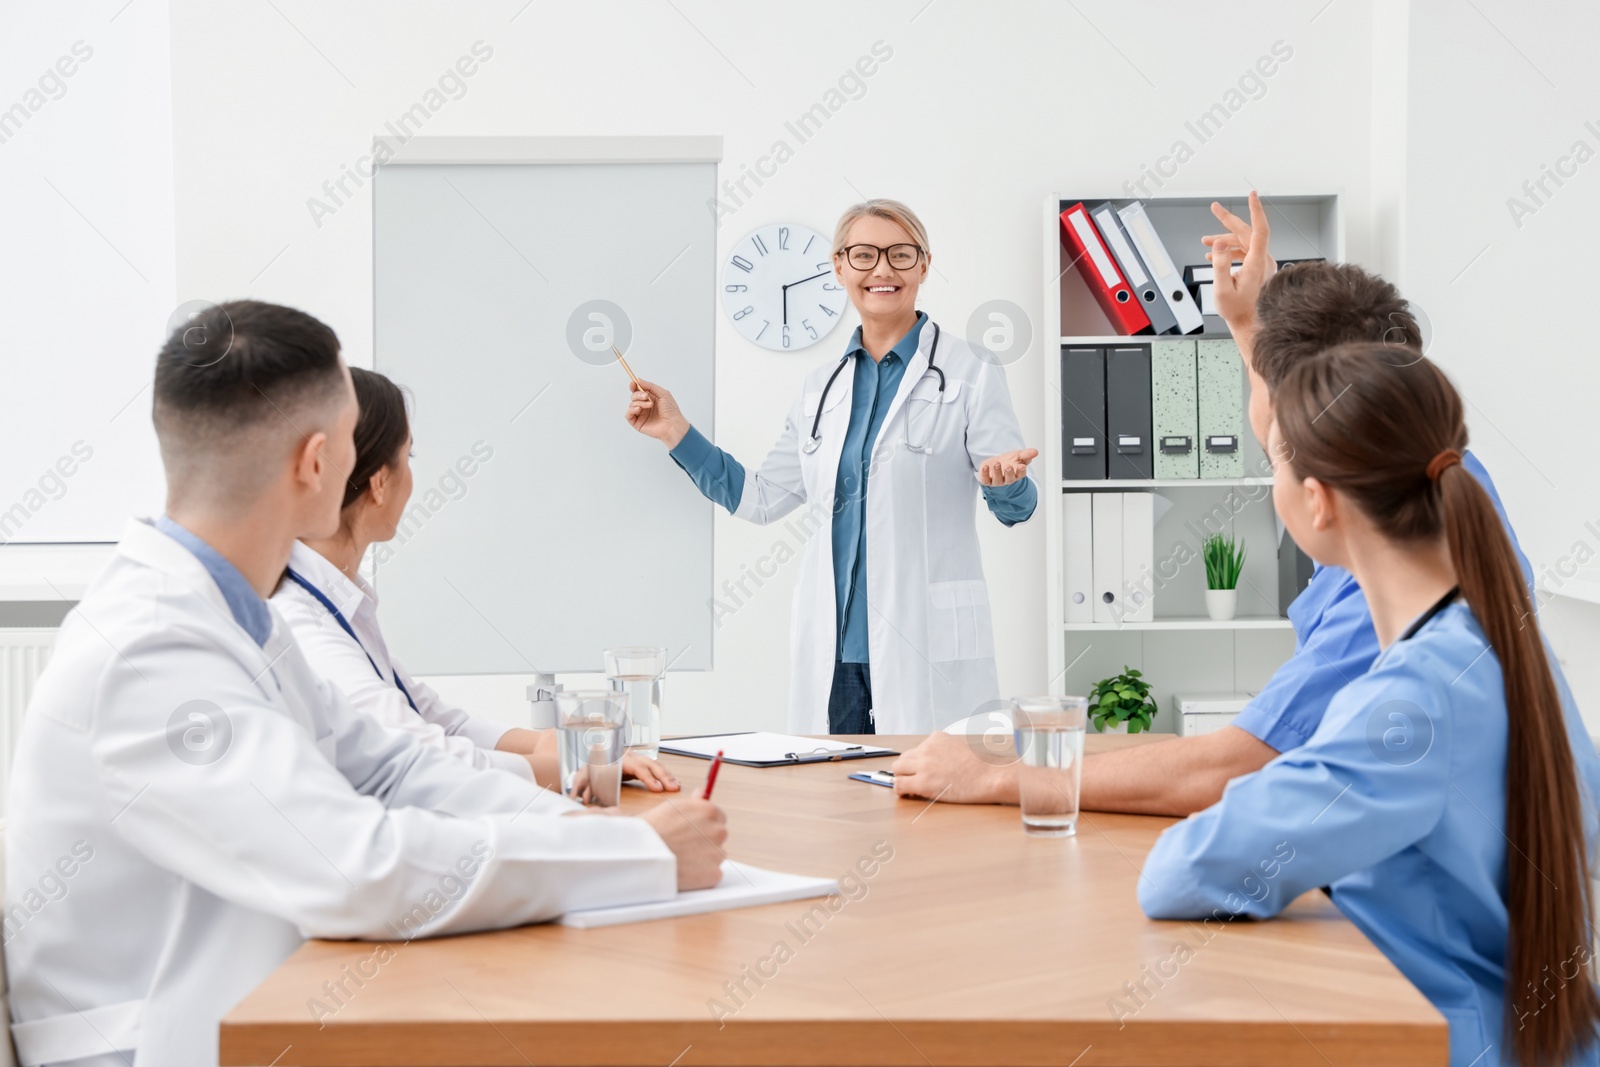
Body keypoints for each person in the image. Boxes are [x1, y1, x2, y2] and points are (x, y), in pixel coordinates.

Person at [4, 301, 726, 1067]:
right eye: (357, 440)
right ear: (317, 463)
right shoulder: (150, 647)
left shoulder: (232, 607)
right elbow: (355, 866)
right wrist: (636, 859)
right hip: (145, 1045)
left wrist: (602, 835)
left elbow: (390, 766)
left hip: (245, 1000)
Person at [891, 192, 1534, 813]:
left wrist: (1006, 776)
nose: (1271, 449)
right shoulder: (1440, 476)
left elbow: (1228, 771)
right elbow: (1283, 420)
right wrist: (1245, 318)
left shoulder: (1388, 590)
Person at [1141, 341, 1600, 1067]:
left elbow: (1182, 871)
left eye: (1275, 466)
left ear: (1318, 500)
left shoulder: (1409, 703)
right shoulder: (1502, 641)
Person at [626, 199, 1039, 734]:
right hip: (838, 653)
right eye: (864, 255)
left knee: (928, 801)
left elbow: (1017, 507)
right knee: (837, 802)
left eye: (900, 254)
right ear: (840, 267)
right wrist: (676, 432)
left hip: (926, 643)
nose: (882, 270)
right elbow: (762, 498)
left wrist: (1007, 484)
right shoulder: (820, 387)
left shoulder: (971, 371)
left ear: (924, 265)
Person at [272, 367, 678, 793]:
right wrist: (569, 767)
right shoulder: (304, 622)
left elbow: (434, 718)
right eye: (407, 457)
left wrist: (548, 741)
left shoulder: (337, 597)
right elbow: (419, 758)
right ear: (378, 482)